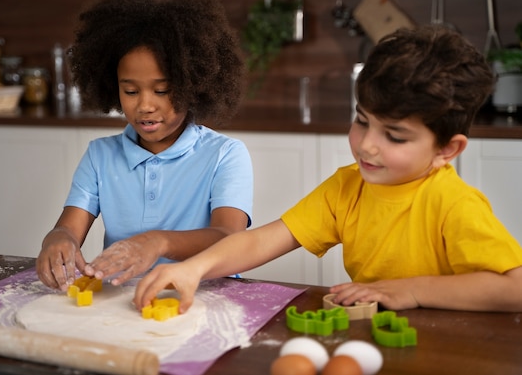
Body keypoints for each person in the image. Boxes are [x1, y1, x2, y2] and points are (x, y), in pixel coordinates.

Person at [134, 25, 522, 313]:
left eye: (396, 136)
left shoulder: (454, 204)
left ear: (447, 150)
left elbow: (515, 289)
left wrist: (411, 290)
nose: (368, 144)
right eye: (362, 120)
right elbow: (260, 241)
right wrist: (195, 268)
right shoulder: (347, 188)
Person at [36, 0, 253, 291]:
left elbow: (229, 236)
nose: (145, 106)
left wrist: (158, 242)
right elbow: (68, 228)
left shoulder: (225, 155)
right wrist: (58, 239)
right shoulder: (100, 155)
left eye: (162, 90)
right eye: (131, 91)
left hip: (205, 295)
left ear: (194, 85)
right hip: (126, 299)